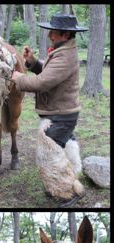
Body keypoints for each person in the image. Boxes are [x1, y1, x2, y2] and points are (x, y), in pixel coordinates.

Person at [10, 14, 88, 204]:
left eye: (54, 32)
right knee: (62, 151)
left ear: (66, 34)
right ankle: (71, 185)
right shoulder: (63, 52)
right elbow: (49, 72)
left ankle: (65, 194)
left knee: (49, 157)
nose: (50, 35)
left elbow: (43, 82)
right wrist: (33, 62)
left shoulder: (66, 56)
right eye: (50, 31)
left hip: (60, 116)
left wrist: (17, 78)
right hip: (62, 114)